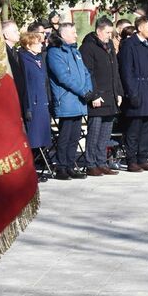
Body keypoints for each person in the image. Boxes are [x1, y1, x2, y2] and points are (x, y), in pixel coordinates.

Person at [118, 16, 148, 172]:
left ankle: (143, 158)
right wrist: (132, 93)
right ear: (140, 28)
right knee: (134, 129)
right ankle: (131, 160)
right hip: (137, 90)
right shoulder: (129, 45)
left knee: (147, 128)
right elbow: (126, 71)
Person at [47, 23, 93, 180]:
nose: (76, 35)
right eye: (73, 32)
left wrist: (88, 91)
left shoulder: (75, 51)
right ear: (63, 34)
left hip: (79, 99)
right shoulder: (55, 52)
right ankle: (61, 167)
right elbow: (63, 77)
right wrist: (83, 91)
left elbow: (86, 73)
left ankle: (70, 165)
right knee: (65, 136)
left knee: (75, 136)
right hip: (66, 98)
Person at [79, 17, 124, 176]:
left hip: (111, 96)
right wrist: (94, 95)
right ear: (98, 31)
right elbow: (87, 74)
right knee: (95, 132)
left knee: (105, 132)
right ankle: (91, 163)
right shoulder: (88, 48)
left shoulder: (110, 45)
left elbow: (115, 71)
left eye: (111, 33)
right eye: (107, 32)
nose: (109, 36)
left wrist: (119, 92)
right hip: (97, 98)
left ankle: (101, 161)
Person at [19, 31, 52, 182]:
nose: (41, 45)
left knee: (41, 139)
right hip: (33, 103)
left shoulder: (39, 59)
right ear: (28, 45)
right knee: (32, 139)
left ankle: (36, 169)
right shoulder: (24, 59)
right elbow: (25, 83)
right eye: (37, 43)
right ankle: (29, 171)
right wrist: (28, 107)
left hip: (42, 102)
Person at [2, 20, 27, 115]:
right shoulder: (2, 54)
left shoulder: (15, 51)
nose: (18, 33)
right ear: (6, 35)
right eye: (15, 31)